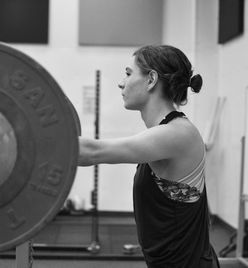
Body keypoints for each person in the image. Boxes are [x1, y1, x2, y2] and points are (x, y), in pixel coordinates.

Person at [79, 45, 220, 268]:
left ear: (151, 79)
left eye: (128, 73)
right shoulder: (166, 133)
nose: (121, 82)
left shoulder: (177, 134)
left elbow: (92, 152)